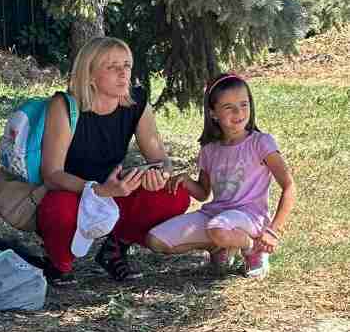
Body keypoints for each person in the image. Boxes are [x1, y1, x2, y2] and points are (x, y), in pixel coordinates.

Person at [38, 37, 190, 281]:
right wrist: (98, 190)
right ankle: (59, 263)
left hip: (115, 189)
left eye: (127, 65)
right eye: (112, 67)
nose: (123, 73)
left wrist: (161, 175)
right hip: (72, 192)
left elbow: (162, 160)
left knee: (175, 195)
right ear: (89, 75)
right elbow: (52, 175)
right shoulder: (64, 105)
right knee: (59, 209)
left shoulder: (136, 101)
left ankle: (115, 247)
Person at [145, 74, 296, 279]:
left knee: (217, 227)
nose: (239, 112)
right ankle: (219, 246)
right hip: (217, 216)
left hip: (250, 217)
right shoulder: (209, 149)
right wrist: (187, 182)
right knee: (155, 240)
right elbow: (203, 193)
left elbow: (289, 186)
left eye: (244, 104)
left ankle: (252, 247)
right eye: (228, 107)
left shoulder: (261, 143)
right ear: (213, 113)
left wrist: (272, 231)